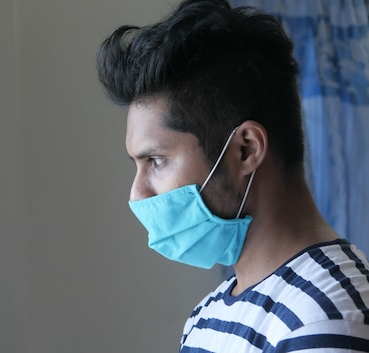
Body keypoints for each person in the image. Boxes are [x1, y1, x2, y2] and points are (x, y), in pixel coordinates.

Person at [96, 0, 369, 351]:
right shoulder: (206, 316)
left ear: (246, 150)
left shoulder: (328, 316)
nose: (138, 194)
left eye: (156, 160)